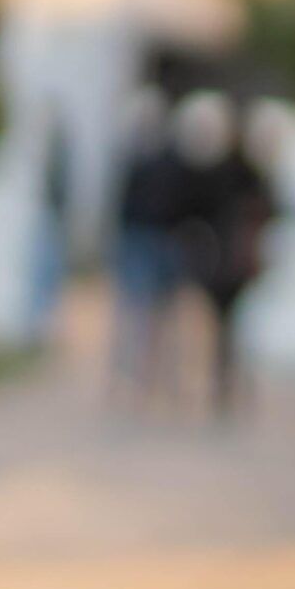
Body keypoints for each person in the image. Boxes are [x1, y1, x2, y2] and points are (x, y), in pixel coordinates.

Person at [170, 90, 275, 420]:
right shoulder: (249, 173)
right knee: (228, 326)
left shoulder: (223, 170)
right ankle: (224, 381)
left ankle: (220, 381)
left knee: (220, 325)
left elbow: (191, 207)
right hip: (233, 259)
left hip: (222, 258)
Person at [109, 87, 186, 408]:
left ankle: (152, 377)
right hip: (140, 240)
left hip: (158, 241)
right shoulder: (139, 159)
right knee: (135, 313)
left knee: (157, 316)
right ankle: (129, 377)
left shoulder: (168, 161)